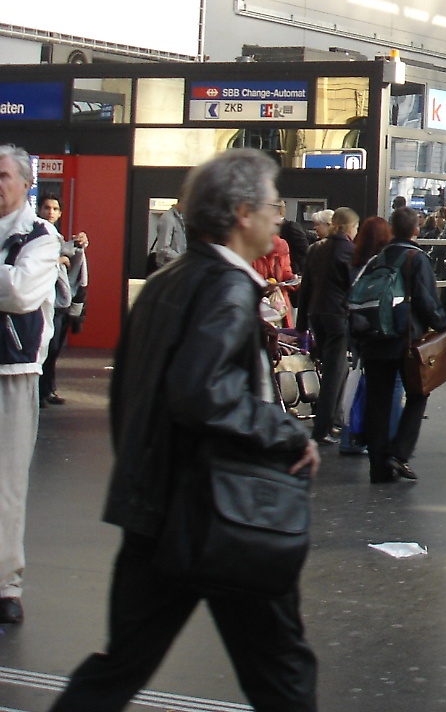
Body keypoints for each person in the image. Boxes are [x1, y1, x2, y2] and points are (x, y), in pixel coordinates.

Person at [50, 149, 319, 708]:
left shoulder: (169, 281)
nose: (279, 215)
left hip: (155, 509)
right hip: (221, 514)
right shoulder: (225, 288)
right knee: (281, 671)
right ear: (243, 213)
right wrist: (285, 433)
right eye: (272, 205)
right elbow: (203, 392)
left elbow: (133, 392)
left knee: (120, 665)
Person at [0, 145, 58, 626]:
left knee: (7, 483)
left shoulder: (40, 236)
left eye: (2, 176)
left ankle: (5, 584)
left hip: (13, 372)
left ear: (23, 184)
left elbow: (21, 293)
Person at [355, 207, 446, 484]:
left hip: (373, 338)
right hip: (404, 338)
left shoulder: (376, 258)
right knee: (419, 392)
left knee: (377, 402)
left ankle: (378, 467)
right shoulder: (415, 258)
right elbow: (425, 299)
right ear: (416, 230)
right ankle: (399, 452)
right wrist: (442, 324)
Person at [301, 206, 358, 444]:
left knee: (335, 368)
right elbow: (353, 288)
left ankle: (331, 420)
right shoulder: (349, 251)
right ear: (349, 227)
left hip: (317, 314)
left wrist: (301, 322)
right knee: (335, 371)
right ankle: (323, 427)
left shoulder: (316, 248)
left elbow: (306, 286)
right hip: (338, 315)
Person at [37, 196, 88, 407]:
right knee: (45, 348)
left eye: (55, 208)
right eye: (47, 208)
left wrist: (77, 245)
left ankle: (48, 389)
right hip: (43, 299)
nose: (50, 212)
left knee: (54, 348)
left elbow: (68, 252)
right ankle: (40, 392)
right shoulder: (35, 234)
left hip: (59, 301)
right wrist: (58, 260)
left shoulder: (56, 238)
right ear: (39, 210)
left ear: (60, 213)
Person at [150, 198, 185, 270]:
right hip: (168, 268)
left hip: (177, 267)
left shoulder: (181, 218)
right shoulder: (168, 219)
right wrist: (183, 259)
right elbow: (163, 249)